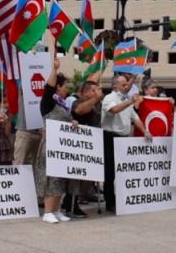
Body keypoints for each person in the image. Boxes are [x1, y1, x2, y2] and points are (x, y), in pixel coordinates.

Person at [101, 74, 151, 214]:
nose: (126, 87)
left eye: (126, 84)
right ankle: (110, 202)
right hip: (110, 136)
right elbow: (113, 110)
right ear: (114, 85)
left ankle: (122, 198)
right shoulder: (109, 98)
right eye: (123, 84)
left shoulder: (125, 100)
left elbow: (135, 118)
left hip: (123, 137)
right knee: (110, 172)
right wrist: (130, 102)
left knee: (122, 170)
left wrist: (145, 130)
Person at [35, 56, 73, 224]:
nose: (67, 89)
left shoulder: (64, 105)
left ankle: (56, 209)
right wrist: (55, 70)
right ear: (58, 87)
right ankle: (48, 211)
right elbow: (48, 89)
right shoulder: (48, 103)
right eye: (65, 86)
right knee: (51, 177)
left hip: (63, 145)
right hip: (50, 145)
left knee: (61, 177)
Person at [67, 77, 104, 218]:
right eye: (94, 91)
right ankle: (71, 203)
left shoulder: (96, 104)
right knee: (76, 177)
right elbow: (80, 110)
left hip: (91, 145)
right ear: (87, 92)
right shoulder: (78, 101)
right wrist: (95, 99)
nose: (97, 93)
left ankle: (74, 201)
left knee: (86, 178)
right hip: (78, 145)